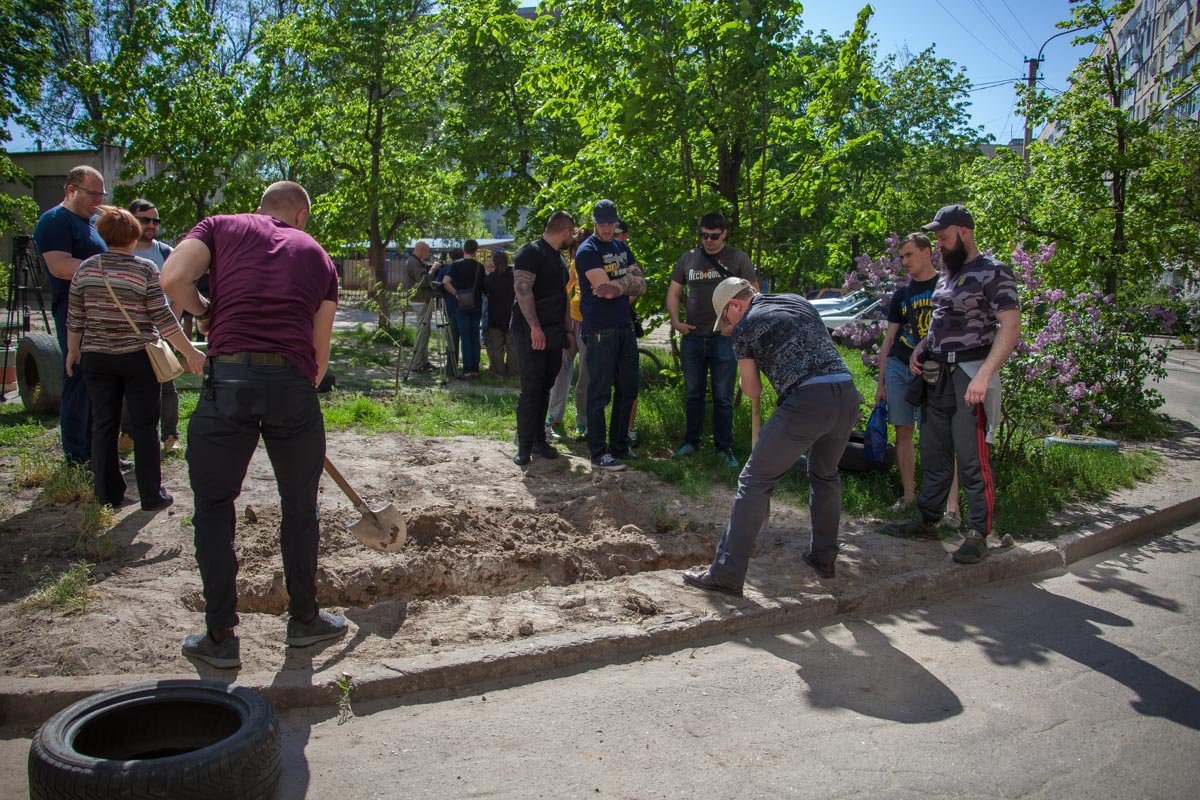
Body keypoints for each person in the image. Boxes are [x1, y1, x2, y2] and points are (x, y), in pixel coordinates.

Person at [161, 181, 346, 669]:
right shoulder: (318, 255)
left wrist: (205, 312)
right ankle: (304, 621)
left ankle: (220, 636)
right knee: (300, 506)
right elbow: (319, 357)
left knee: (214, 506)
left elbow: (173, 279)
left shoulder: (219, 227)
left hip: (228, 382)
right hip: (291, 387)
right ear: (302, 216)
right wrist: (293, 390)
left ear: (262, 206)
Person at [682, 278, 860, 595]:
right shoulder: (797, 300)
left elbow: (752, 389)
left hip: (807, 400)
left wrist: (746, 372)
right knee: (825, 474)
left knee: (754, 480)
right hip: (846, 393)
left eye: (726, 317)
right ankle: (824, 558)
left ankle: (727, 572)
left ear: (735, 305)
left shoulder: (745, 326)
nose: (727, 325)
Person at [884, 204, 1021, 565]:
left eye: (943, 237)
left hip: (970, 374)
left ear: (964, 232)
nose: (939, 245)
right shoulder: (948, 276)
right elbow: (939, 322)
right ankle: (928, 519)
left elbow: (1010, 326)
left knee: (972, 456)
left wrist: (985, 374)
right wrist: (921, 348)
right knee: (934, 449)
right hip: (936, 375)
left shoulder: (993, 272)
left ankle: (978, 532)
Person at [65, 206, 204, 510]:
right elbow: (163, 318)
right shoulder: (143, 270)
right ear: (134, 235)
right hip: (136, 356)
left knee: (104, 424)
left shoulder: (86, 269)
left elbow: (75, 316)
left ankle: (107, 495)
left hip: (96, 356)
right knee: (144, 426)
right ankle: (152, 495)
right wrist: (190, 351)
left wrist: (73, 350)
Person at [874, 233, 960, 524]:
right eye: (901, 257)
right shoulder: (902, 294)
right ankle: (910, 495)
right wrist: (881, 383)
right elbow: (889, 340)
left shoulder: (946, 286)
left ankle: (951, 506)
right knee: (903, 431)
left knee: (940, 437)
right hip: (900, 365)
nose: (905, 262)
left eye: (909, 255)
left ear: (927, 252)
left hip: (935, 369)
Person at [666, 212, 760, 468]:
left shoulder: (738, 258)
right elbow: (674, 292)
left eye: (714, 236)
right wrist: (676, 322)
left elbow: (755, 294)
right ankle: (690, 442)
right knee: (693, 393)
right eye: (704, 235)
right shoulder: (689, 258)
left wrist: (737, 326)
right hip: (693, 337)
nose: (708, 240)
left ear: (725, 233)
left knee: (723, 395)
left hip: (724, 339)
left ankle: (724, 447)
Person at [33, 165, 107, 465]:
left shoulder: (90, 222)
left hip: (99, 312)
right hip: (74, 311)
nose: (99, 201)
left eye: (103, 194)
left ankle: (96, 451)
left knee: (98, 383)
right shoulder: (55, 220)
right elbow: (60, 266)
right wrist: (107, 269)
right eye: (93, 194)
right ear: (71, 190)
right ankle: (77, 456)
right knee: (77, 378)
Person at [576, 199, 646, 471]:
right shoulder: (587, 250)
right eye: (602, 224)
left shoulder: (621, 246)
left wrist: (619, 286)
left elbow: (641, 285)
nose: (607, 229)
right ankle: (598, 452)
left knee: (628, 389)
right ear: (594, 222)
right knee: (599, 392)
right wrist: (625, 283)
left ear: (616, 222)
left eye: (611, 223)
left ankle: (620, 447)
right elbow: (603, 289)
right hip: (600, 329)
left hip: (623, 326)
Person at [115, 199, 182, 453]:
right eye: (145, 219)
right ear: (130, 219)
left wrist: (169, 329)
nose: (152, 225)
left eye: (156, 220)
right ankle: (128, 435)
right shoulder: (120, 252)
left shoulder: (167, 253)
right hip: (127, 333)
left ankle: (171, 435)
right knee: (127, 388)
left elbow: (178, 294)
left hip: (159, 333)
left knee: (167, 385)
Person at [511, 210, 575, 466]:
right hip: (531, 331)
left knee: (546, 385)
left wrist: (568, 331)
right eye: (573, 233)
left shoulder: (557, 257)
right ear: (566, 232)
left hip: (555, 332)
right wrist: (535, 327)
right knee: (531, 388)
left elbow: (563, 297)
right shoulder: (530, 252)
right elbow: (522, 290)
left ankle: (539, 440)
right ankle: (524, 446)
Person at [546, 227, 590, 442]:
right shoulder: (574, 264)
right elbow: (565, 289)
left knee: (585, 377)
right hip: (572, 321)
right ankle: (553, 417)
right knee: (560, 370)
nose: (578, 251)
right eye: (575, 247)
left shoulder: (599, 262)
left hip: (591, 325)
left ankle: (583, 421)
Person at [443, 239, 486, 378]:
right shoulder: (480, 266)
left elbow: (445, 282)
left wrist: (456, 293)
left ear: (463, 249)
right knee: (474, 336)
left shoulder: (456, 265)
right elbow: (484, 287)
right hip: (476, 304)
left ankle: (467, 370)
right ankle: (475, 369)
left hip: (461, 304)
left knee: (465, 337)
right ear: (476, 250)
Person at [404, 241, 439, 373]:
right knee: (422, 332)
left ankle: (424, 361)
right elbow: (424, 281)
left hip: (422, 300)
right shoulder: (413, 262)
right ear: (422, 250)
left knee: (425, 332)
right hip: (421, 300)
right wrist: (433, 269)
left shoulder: (413, 261)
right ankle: (418, 364)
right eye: (428, 251)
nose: (428, 254)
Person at [483, 250, 517, 377]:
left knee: (497, 347)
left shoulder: (489, 279)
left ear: (495, 263)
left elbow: (485, 293)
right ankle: (513, 371)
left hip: (495, 316)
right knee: (512, 346)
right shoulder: (514, 277)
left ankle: (499, 371)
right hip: (511, 316)